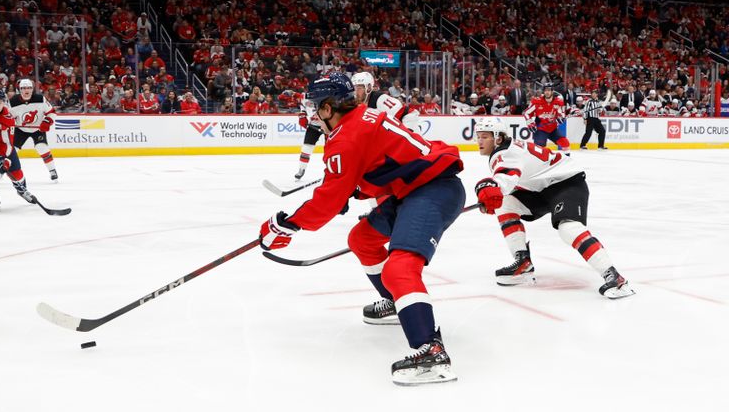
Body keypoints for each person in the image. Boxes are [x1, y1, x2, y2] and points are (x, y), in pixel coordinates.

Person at [260, 72, 466, 385]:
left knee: (400, 268)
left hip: (431, 190)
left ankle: (430, 350)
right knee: (362, 238)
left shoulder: (345, 136)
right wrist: (355, 191)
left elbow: (327, 201)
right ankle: (399, 304)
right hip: (414, 188)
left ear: (329, 108)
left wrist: (287, 225)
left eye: (315, 108)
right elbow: (387, 160)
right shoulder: (360, 118)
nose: (312, 114)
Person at [473, 118, 634, 299]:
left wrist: (492, 188)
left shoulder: (502, 154)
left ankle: (615, 278)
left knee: (568, 228)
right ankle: (523, 263)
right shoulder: (506, 149)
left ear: (498, 138)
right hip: (542, 187)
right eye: (478, 136)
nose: (479, 141)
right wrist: (495, 194)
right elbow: (512, 180)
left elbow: (508, 176)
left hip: (566, 183)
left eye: (485, 137)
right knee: (505, 204)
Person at [9, 79, 59, 181]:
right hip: (20, 129)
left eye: (29, 88)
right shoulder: (13, 101)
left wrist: (47, 122)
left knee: (42, 147)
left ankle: (52, 170)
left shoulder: (40, 98)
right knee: (12, 151)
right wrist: (9, 124)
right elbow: (8, 117)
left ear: (32, 89)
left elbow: (51, 112)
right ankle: (2, 172)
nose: (26, 90)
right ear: (19, 89)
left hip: (38, 129)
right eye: (23, 88)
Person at [523, 84, 570, 152]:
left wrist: (560, 118)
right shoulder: (537, 102)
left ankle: (566, 160)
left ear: (552, 91)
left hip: (553, 129)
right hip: (540, 129)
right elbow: (526, 113)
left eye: (549, 90)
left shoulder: (559, 102)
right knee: (539, 149)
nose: (547, 92)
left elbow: (561, 113)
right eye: (545, 90)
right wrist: (530, 123)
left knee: (565, 143)